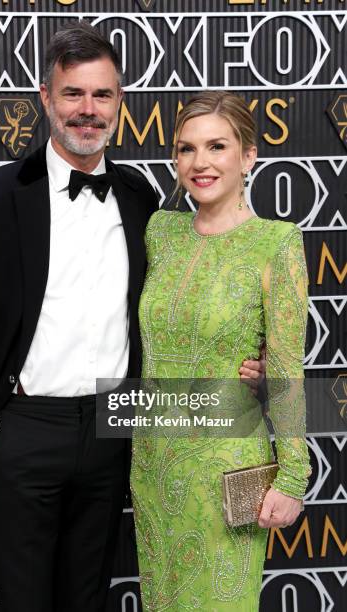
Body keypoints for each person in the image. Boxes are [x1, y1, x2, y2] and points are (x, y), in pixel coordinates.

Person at [0, 25, 263, 612]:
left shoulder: (140, 199)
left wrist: (240, 371)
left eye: (102, 95)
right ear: (46, 98)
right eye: (73, 94)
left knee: (89, 599)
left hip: (116, 432)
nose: (88, 110)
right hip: (20, 431)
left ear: (120, 103)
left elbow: (176, 310)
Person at [130, 91, 311, 611]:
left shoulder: (276, 242)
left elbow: (284, 368)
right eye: (186, 149)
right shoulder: (160, 233)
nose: (200, 162)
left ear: (248, 155)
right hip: (154, 463)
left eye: (217, 146)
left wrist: (293, 475)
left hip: (230, 466)